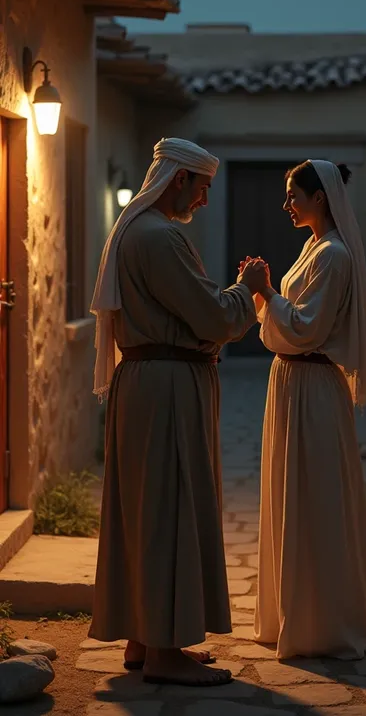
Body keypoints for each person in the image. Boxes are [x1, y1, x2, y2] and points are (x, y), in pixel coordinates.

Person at [89, 138, 263, 687]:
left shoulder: (134, 230)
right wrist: (249, 289)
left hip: (148, 382)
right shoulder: (161, 237)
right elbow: (211, 318)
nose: (206, 200)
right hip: (164, 387)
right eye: (203, 187)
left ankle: (144, 640)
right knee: (167, 507)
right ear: (179, 179)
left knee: (150, 508)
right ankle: (164, 655)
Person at [248, 159, 366, 660]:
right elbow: (293, 317)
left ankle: (325, 624)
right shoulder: (314, 247)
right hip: (291, 381)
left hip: (313, 386)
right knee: (292, 494)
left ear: (319, 198)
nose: (287, 205)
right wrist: (266, 294)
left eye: (293, 196)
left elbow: (307, 327)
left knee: (317, 498)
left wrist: (264, 291)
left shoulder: (335, 257)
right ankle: (294, 616)